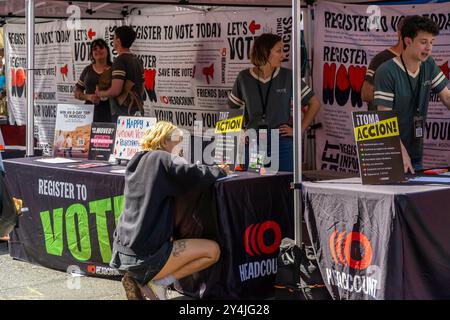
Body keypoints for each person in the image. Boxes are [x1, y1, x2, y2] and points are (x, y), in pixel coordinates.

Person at [110, 121, 227, 300]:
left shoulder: (136, 160)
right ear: (164, 141)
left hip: (121, 251)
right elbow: (196, 175)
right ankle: (159, 281)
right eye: (177, 141)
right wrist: (220, 170)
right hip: (145, 255)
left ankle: (142, 280)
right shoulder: (162, 159)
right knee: (213, 251)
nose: (180, 148)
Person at [228, 33, 320, 172]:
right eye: (279, 51)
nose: (283, 55)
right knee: (254, 184)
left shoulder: (288, 76)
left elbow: (314, 103)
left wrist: (298, 130)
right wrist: (239, 131)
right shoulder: (244, 77)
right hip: (254, 141)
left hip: (282, 141)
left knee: (283, 186)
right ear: (265, 52)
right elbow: (232, 108)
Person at [374, 15, 450, 173]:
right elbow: (384, 120)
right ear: (408, 41)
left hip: (415, 155)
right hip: (389, 154)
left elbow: (447, 96)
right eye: (423, 42)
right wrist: (400, 152)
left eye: (431, 42)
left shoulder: (428, 64)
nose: (429, 48)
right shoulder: (386, 71)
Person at [96, 26, 145, 122]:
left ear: (118, 41)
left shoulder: (120, 60)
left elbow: (115, 90)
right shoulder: (137, 60)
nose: (113, 41)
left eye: (113, 38)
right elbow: (142, 87)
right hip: (136, 110)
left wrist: (101, 93)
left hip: (122, 112)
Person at [361, 19, 404, 110]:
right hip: (381, 121)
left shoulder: (418, 62)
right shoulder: (382, 58)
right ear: (400, 33)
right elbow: (366, 94)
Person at [74, 38, 112, 122]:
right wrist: (88, 97)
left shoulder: (115, 69)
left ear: (108, 51)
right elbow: (76, 93)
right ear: (92, 54)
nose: (98, 50)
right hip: (89, 115)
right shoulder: (87, 70)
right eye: (95, 49)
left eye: (101, 47)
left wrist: (105, 95)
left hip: (110, 115)